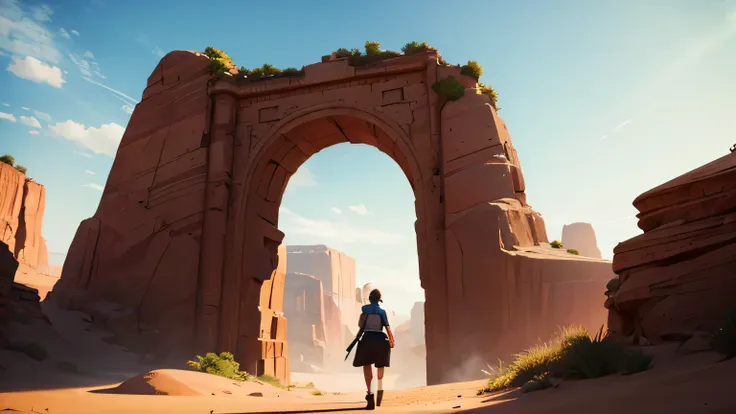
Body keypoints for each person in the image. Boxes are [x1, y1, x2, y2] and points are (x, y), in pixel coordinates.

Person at [353, 289, 395, 410]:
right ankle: (380, 389)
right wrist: (392, 340)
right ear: (379, 300)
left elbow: (360, 325)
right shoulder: (382, 312)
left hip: (367, 339)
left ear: (370, 299)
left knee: (367, 365)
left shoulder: (364, 309)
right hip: (380, 339)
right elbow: (387, 327)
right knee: (380, 365)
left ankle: (370, 394)